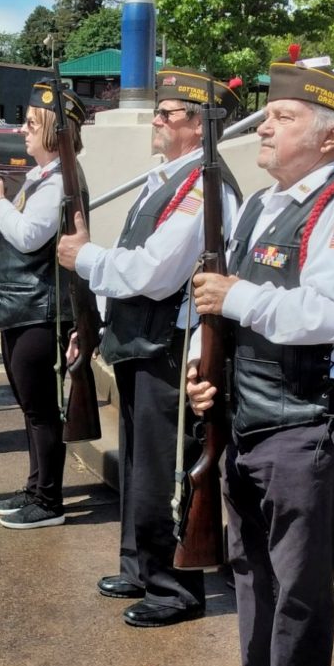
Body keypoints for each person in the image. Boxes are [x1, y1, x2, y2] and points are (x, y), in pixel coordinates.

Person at [183, 60, 334, 666]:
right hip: (248, 412)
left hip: (307, 416)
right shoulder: (263, 205)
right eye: (268, 115)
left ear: (330, 138)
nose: (265, 125)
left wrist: (234, 298)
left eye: (284, 117)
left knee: (300, 579)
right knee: (250, 565)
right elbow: (213, 302)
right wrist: (201, 370)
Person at [55, 68, 242, 627]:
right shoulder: (169, 177)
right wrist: (99, 320)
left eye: (167, 113)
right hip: (141, 339)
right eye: (159, 112)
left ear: (197, 123)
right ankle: (141, 566)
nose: (156, 121)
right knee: (139, 466)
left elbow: (155, 272)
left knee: (164, 472)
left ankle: (174, 588)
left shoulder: (204, 186)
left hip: (169, 345)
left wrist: (86, 259)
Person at [0, 81, 89, 529]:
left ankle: (48, 500)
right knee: (30, 406)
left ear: (54, 131)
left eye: (31, 123)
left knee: (41, 409)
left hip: (41, 309)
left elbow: (28, 236)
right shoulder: (45, 177)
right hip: (22, 306)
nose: (22, 130)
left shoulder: (61, 179)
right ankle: (37, 485)